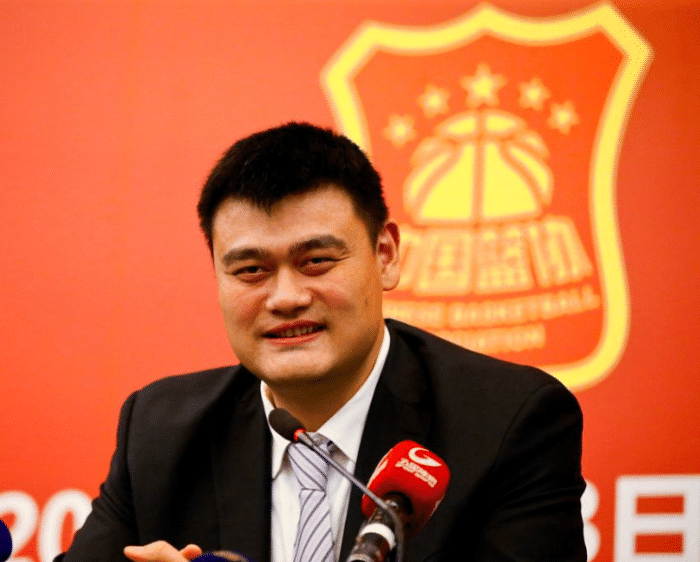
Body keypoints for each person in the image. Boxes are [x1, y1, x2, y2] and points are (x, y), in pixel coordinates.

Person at [56, 122, 586, 562]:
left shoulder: (507, 424)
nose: (285, 298)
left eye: (316, 262)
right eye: (250, 270)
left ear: (385, 255)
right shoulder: (160, 431)